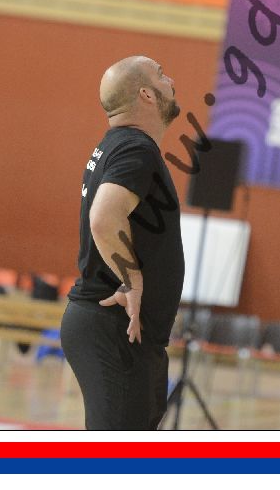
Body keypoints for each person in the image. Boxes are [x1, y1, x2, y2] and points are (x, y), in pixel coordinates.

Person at [61, 56, 185, 430]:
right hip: (113, 327)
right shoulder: (136, 149)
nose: (171, 79)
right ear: (146, 94)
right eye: (161, 75)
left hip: (120, 331)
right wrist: (132, 280)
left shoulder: (119, 145)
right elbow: (104, 217)